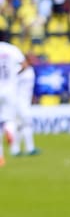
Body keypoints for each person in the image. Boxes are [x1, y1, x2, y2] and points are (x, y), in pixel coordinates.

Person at [0, 30, 31, 167]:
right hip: (10, 89)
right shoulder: (12, 49)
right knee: (9, 119)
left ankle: (0, 157)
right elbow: (25, 65)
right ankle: (9, 130)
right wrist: (15, 74)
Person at [5, 57, 39, 156]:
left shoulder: (29, 71)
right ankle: (30, 148)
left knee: (20, 125)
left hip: (23, 101)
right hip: (19, 102)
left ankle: (15, 149)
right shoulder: (19, 70)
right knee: (27, 124)